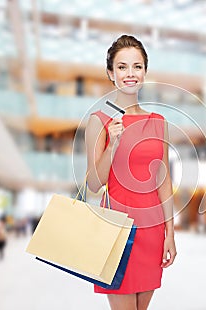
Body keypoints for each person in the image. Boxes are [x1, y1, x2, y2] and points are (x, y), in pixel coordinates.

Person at [85, 34, 177, 310]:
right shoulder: (99, 121)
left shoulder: (158, 122)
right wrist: (113, 144)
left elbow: (163, 181)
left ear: (145, 72)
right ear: (110, 73)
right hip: (117, 230)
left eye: (137, 66)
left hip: (152, 230)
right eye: (122, 67)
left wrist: (170, 233)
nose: (130, 73)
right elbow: (92, 183)